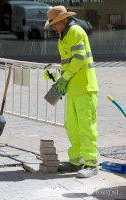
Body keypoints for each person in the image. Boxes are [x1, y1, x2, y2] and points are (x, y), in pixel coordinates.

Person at [44, 5, 99, 178]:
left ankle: (91, 164)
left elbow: (80, 59)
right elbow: (69, 63)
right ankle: (76, 161)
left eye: (54, 23)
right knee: (72, 127)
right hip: (74, 89)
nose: (53, 27)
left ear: (64, 19)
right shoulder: (63, 37)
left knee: (86, 127)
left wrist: (64, 78)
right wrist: (57, 75)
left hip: (85, 87)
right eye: (51, 24)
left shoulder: (75, 31)